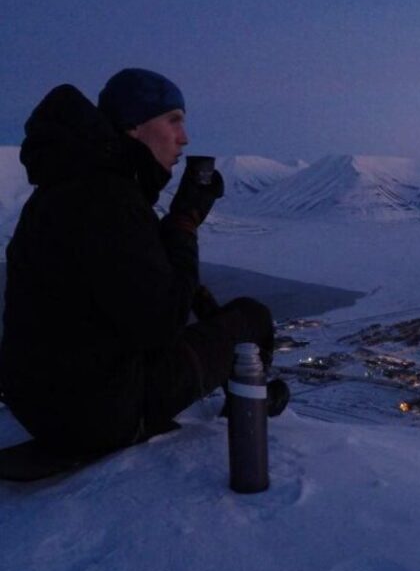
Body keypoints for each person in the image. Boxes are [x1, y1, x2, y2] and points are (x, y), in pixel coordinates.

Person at [0, 68, 286, 454]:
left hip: (44, 405)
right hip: (100, 414)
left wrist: (176, 224)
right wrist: (184, 223)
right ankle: (250, 404)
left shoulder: (71, 188)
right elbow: (161, 324)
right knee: (252, 317)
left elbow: (135, 285)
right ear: (134, 127)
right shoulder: (109, 199)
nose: (184, 138)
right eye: (174, 121)